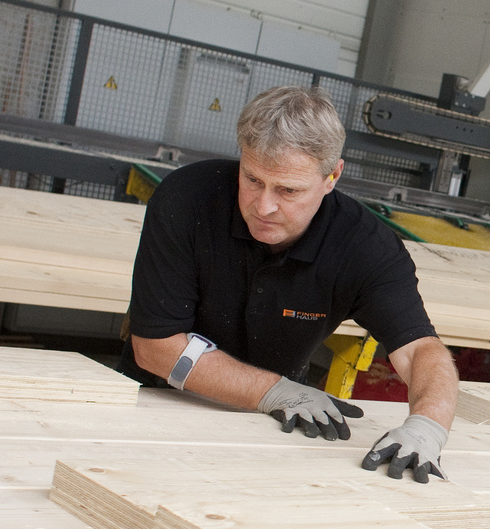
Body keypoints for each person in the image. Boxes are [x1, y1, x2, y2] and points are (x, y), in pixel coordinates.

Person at [121, 85, 458, 482]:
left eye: (288, 190)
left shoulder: (365, 247)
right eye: (252, 179)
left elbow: (419, 349)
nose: (264, 206)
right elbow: (155, 347)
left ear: (332, 176)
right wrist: (274, 391)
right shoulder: (186, 199)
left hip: (277, 423)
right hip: (158, 401)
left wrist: (427, 427)